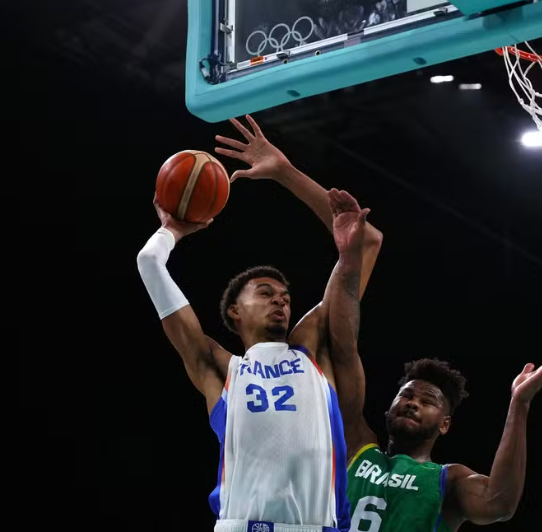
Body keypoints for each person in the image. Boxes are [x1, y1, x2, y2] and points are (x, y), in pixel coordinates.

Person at [136, 115, 381, 532]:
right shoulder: (218, 367)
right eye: (265, 292)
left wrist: (285, 172)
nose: (281, 300)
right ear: (234, 309)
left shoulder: (313, 347)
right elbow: (148, 263)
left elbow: (367, 240)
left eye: (285, 296)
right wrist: (172, 231)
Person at [326, 252, 542, 531]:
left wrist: (520, 403)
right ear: (389, 407)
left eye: (427, 401)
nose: (412, 403)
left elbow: (499, 505)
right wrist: (349, 259)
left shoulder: (449, 480)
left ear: (445, 424)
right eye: (406, 395)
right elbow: (344, 350)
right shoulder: (359, 447)